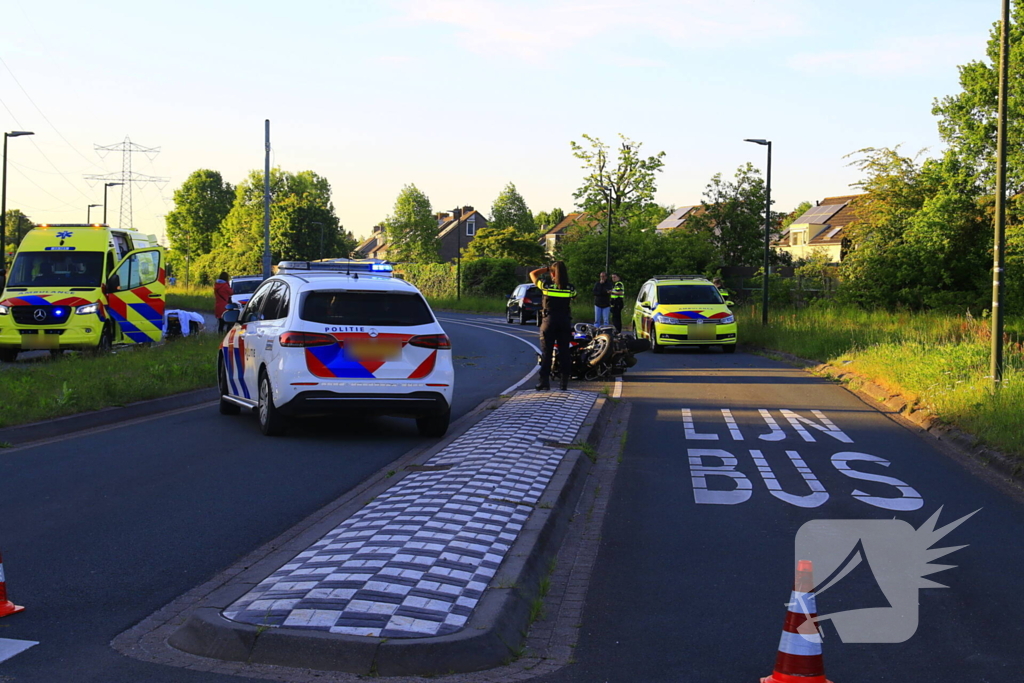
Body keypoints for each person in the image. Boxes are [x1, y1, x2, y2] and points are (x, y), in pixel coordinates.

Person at [530, 261, 576, 391]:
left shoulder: (546, 286)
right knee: (565, 352)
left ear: (553, 273)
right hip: (565, 321)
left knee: (547, 353)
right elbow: (574, 297)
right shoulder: (570, 288)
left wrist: (546, 268)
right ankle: (564, 382)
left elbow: (532, 274)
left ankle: (544, 381)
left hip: (549, 321)